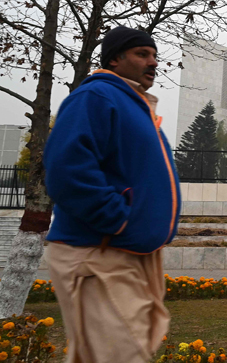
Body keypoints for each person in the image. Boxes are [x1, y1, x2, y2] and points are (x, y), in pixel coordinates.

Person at [43, 26, 181, 363]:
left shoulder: (137, 107)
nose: (153, 62)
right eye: (142, 54)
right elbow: (66, 169)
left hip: (129, 252)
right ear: (115, 59)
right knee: (120, 354)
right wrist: (117, 218)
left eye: (154, 56)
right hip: (98, 252)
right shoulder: (96, 97)